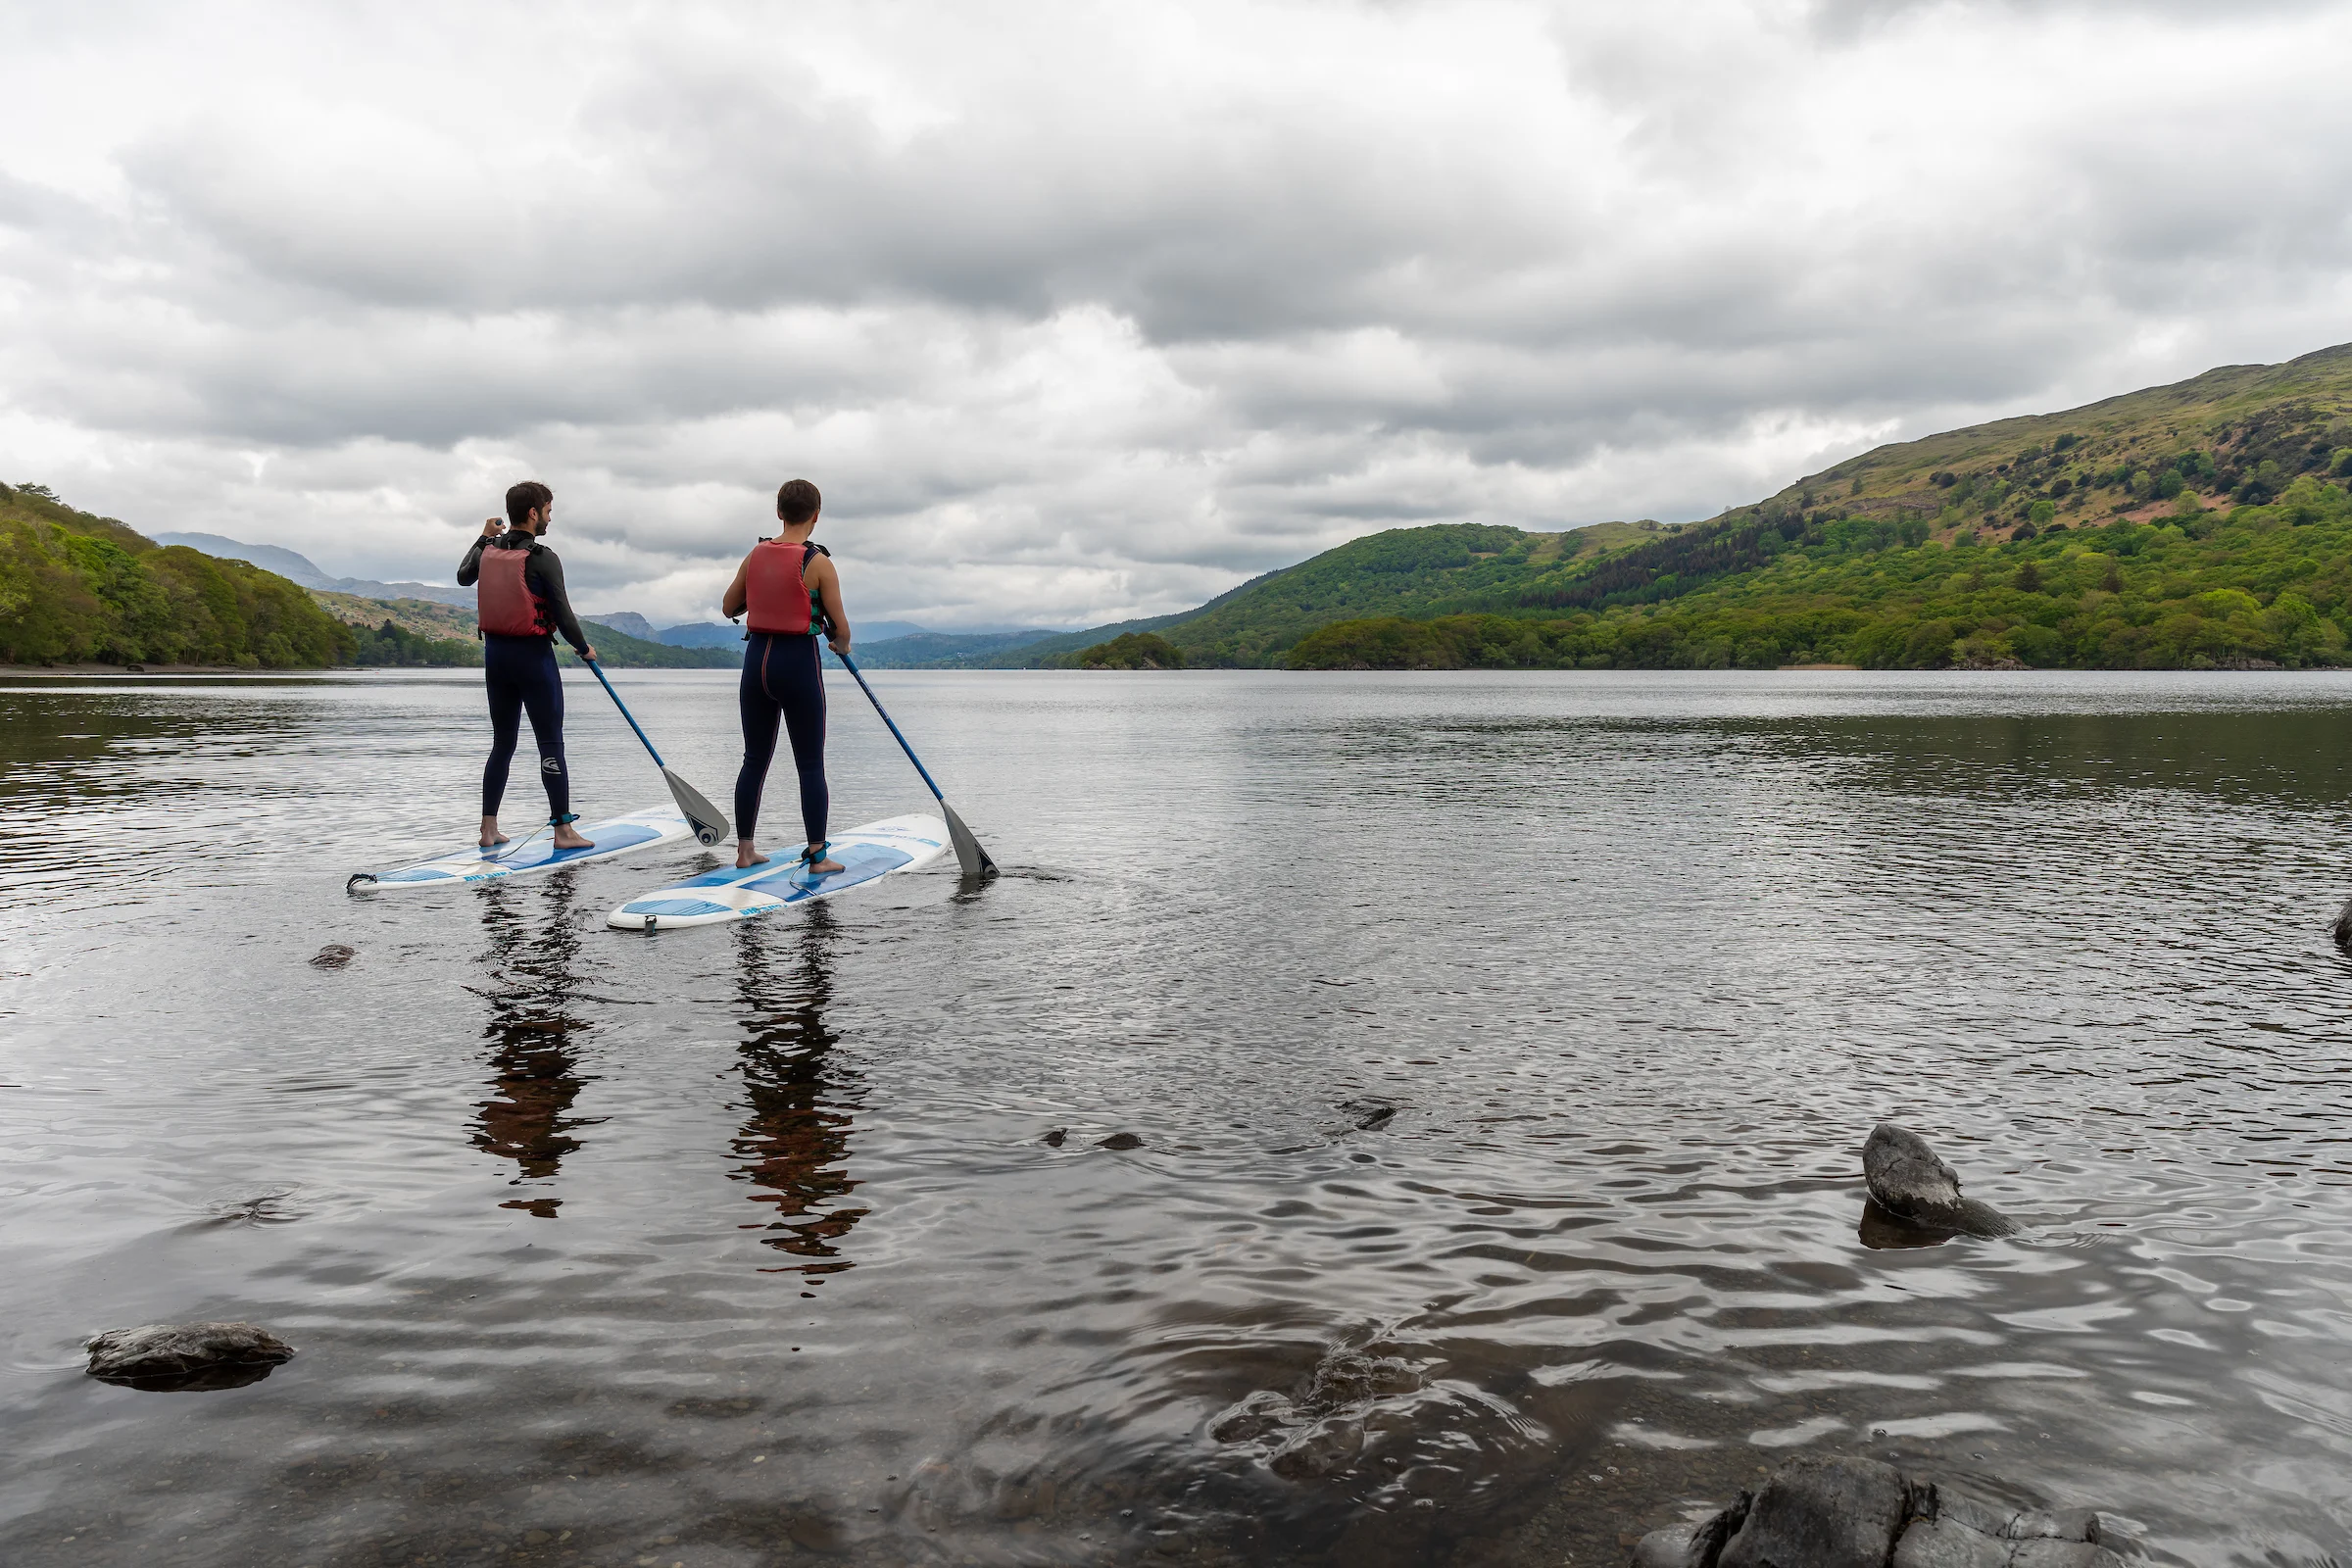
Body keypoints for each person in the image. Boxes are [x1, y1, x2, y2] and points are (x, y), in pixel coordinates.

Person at [457, 480, 598, 852]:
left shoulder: (487, 550)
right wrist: (584, 648)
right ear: (534, 513)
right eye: (549, 511)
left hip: (496, 659)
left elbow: (462, 576)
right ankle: (563, 831)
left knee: (502, 743)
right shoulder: (543, 556)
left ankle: (489, 829)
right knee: (550, 742)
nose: (550, 518)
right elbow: (563, 614)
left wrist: (482, 536)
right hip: (533, 659)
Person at [721, 478, 851, 872]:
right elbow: (841, 629)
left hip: (756, 661)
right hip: (797, 664)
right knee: (810, 764)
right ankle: (817, 855)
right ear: (816, 515)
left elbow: (729, 607)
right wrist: (840, 645)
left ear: (779, 512)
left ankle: (745, 851)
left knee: (754, 760)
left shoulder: (755, 554)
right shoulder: (819, 563)